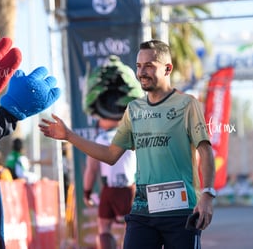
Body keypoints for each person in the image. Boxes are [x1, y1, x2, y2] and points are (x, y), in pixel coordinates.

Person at [39, 39, 216, 249]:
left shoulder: (187, 105)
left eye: (149, 66)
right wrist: (69, 136)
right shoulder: (133, 110)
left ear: (168, 68)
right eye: (139, 66)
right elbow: (110, 154)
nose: (142, 72)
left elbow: (205, 151)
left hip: (180, 212)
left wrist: (207, 194)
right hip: (142, 212)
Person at [83, 118, 136, 249]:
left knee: (104, 227)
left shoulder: (100, 138)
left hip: (110, 190)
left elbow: (91, 168)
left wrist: (87, 192)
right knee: (131, 229)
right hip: (129, 189)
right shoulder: (133, 135)